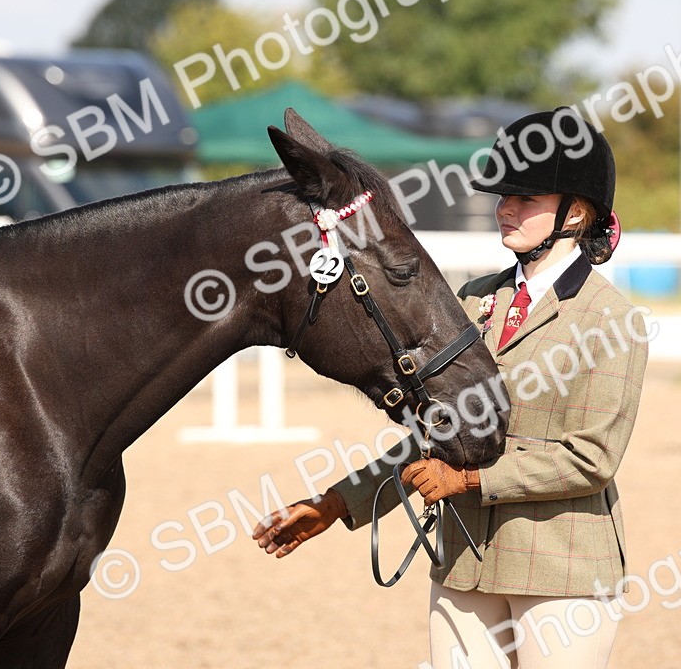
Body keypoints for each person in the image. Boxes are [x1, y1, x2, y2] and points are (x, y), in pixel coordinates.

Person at [253, 109, 649, 669]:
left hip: (561, 565)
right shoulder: (470, 301)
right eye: (502, 195)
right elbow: (433, 434)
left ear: (576, 212)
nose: (505, 208)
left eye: (525, 198)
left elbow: (592, 458)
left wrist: (467, 478)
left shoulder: (609, 319)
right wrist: (336, 504)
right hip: (465, 560)